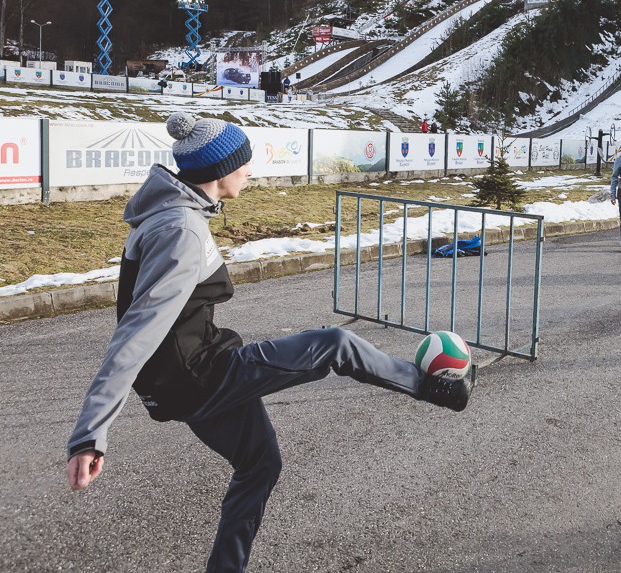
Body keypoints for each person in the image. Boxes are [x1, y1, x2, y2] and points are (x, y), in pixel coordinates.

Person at [65, 113, 476, 573]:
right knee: (335, 343)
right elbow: (136, 331)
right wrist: (90, 434)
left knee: (260, 463)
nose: (250, 171)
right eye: (243, 162)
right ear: (221, 170)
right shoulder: (180, 230)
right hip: (200, 376)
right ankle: (433, 387)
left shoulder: (173, 215)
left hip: (183, 379)